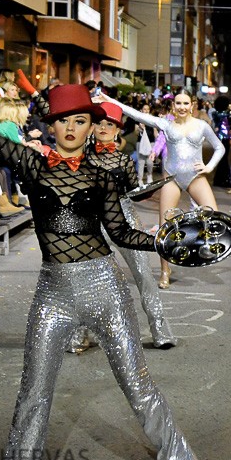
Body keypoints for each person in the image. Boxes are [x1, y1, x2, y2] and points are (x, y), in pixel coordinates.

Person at [0, 45, 197, 460]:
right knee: (34, 390)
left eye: (80, 120)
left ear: (90, 125)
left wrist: (163, 244)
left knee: (137, 383)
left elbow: (121, 230)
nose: (70, 127)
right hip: (53, 295)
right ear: (51, 124)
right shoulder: (30, 163)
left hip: (105, 288)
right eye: (62, 120)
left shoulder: (104, 173)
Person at [68, 101, 177, 350]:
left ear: (117, 130)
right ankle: (81, 334)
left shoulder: (124, 161)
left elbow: (133, 192)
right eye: (100, 123)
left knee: (143, 275)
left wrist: (147, 192)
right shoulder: (80, 158)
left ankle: (160, 330)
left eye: (110, 124)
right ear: (92, 127)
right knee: (86, 279)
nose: (104, 128)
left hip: (125, 219)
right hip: (93, 223)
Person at [107, 90, 226, 288]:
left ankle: (188, 241)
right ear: (173, 106)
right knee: (164, 226)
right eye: (178, 103)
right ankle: (165, 270)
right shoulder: (166, 124)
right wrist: (110, 100)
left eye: (185, 103)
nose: (181, 107)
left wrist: (209, 166)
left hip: (196, 177)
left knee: (213, 215)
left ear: (192, 104)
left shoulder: (202, 126)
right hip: (171, 179)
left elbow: (219, 147)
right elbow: (137, 114)